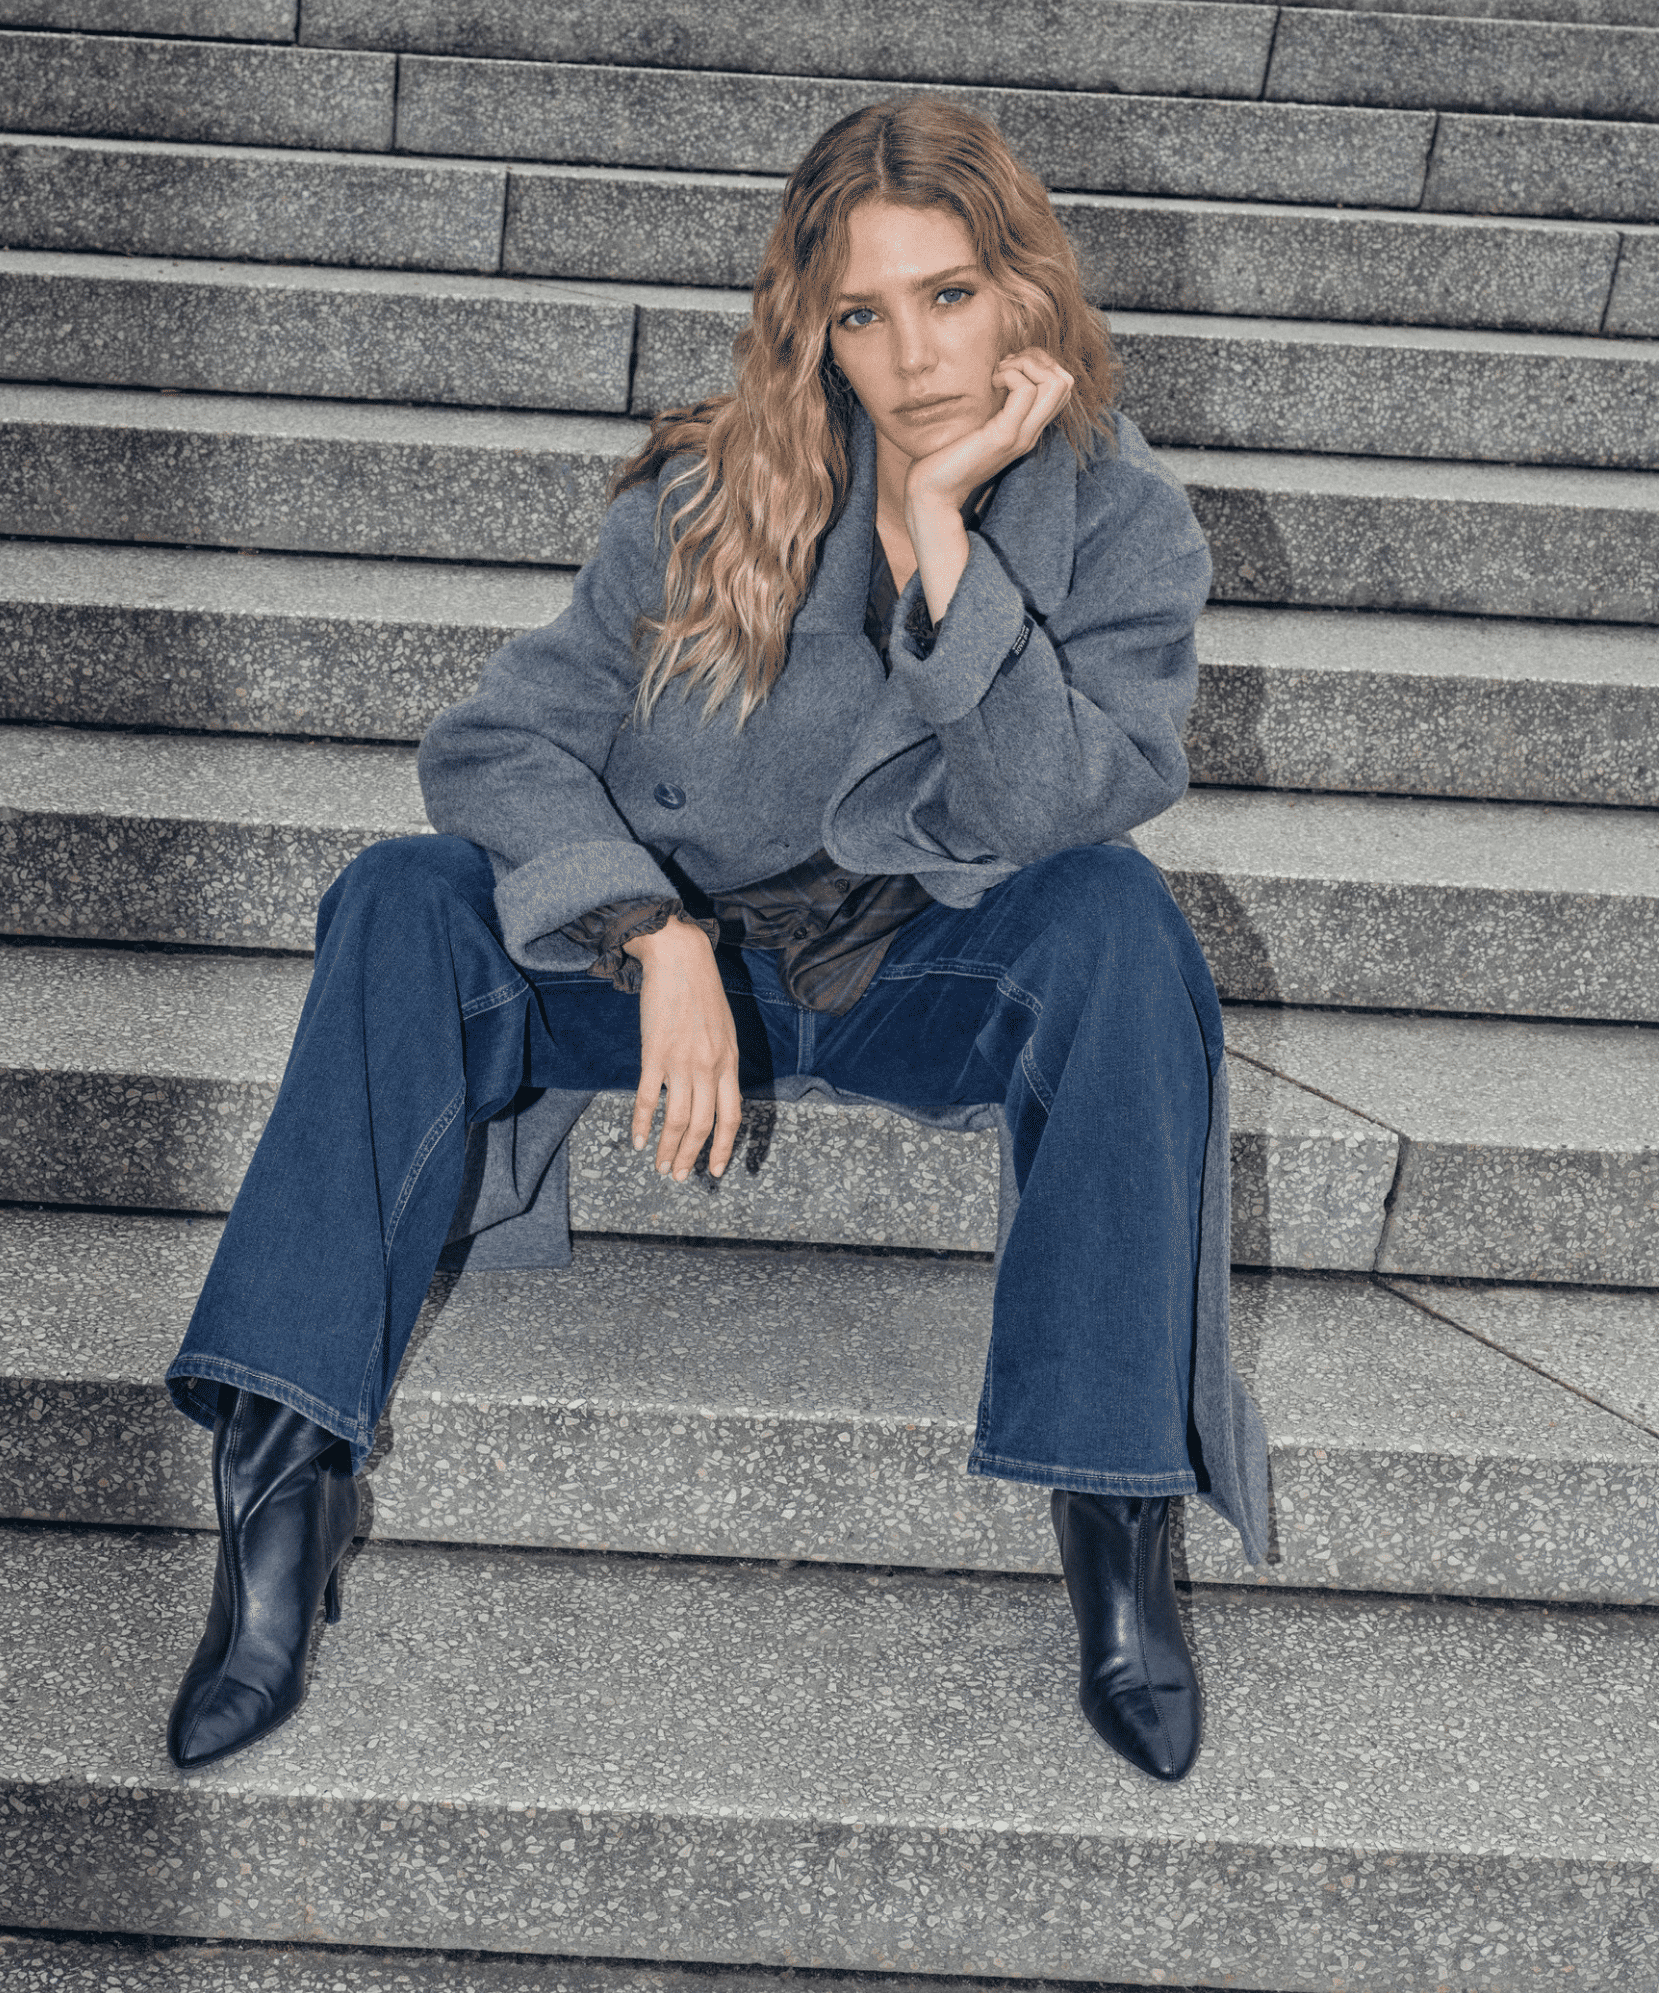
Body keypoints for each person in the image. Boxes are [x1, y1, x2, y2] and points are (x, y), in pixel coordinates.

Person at [163, 96, 1269, 1788]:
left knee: (1123, 931)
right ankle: (279, 1498)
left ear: (1028, 291)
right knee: (401, 897)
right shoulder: (710, 493)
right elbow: (491, 744)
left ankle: (1115, 1525)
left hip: (923, 958)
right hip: (679, 958)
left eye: (953, 295)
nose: (915, 358)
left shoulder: (1125, 527)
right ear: (810, 327)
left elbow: (1062, 804)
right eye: (864, 313)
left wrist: (945, 541)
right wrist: (653, 934)